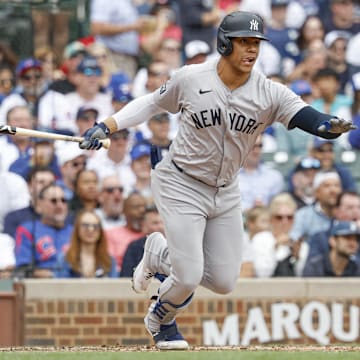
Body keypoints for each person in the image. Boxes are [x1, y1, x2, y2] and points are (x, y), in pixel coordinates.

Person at [78, 11, 356, 350]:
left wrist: (328, 126)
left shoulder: (268, 91)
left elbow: (307, 117)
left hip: (225, 189)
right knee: (189, 276)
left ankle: (156, 252)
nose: (251, 50)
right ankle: (160, 321)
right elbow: (151, 104)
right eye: (244, 42)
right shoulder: (192, 77)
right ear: (224, 43)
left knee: (224, 281)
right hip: (181, 181)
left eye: (256, 43)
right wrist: (107, 125)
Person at [14, 184, 72, 278]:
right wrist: (54, 276)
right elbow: (22, 269)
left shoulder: (75, 232)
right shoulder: (27, 230)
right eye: (53, 201)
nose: (60, 205)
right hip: (41, 286)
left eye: (63, 200)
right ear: (39, 205)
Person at [56, 210, 118, 278]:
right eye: (85, 225)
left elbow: (114, 286)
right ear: (77, 229)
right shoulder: (65, 259)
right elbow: (60, 286)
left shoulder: (109, 261)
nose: (90, 229)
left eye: (95, 226)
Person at [121, 205, 165, 277]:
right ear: (144, 226)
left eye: (162, 222)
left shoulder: (175, 247)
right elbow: (126, 277)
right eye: (155, 223)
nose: (160, 227)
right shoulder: (134, 248)